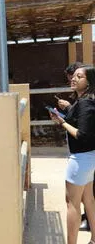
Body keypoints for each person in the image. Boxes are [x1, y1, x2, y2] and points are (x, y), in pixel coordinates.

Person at [49, 65, 95, 244]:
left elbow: (82, 135)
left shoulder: (86, 102)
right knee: (88, 199)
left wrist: (61, 122)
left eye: (79, 76)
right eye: (73, 76)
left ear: (89, 82)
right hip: (89, 158)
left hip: (80, 160)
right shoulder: (85, 100)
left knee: (72, 204)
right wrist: (66, 112)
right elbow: (80, 119)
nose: (73, 79)